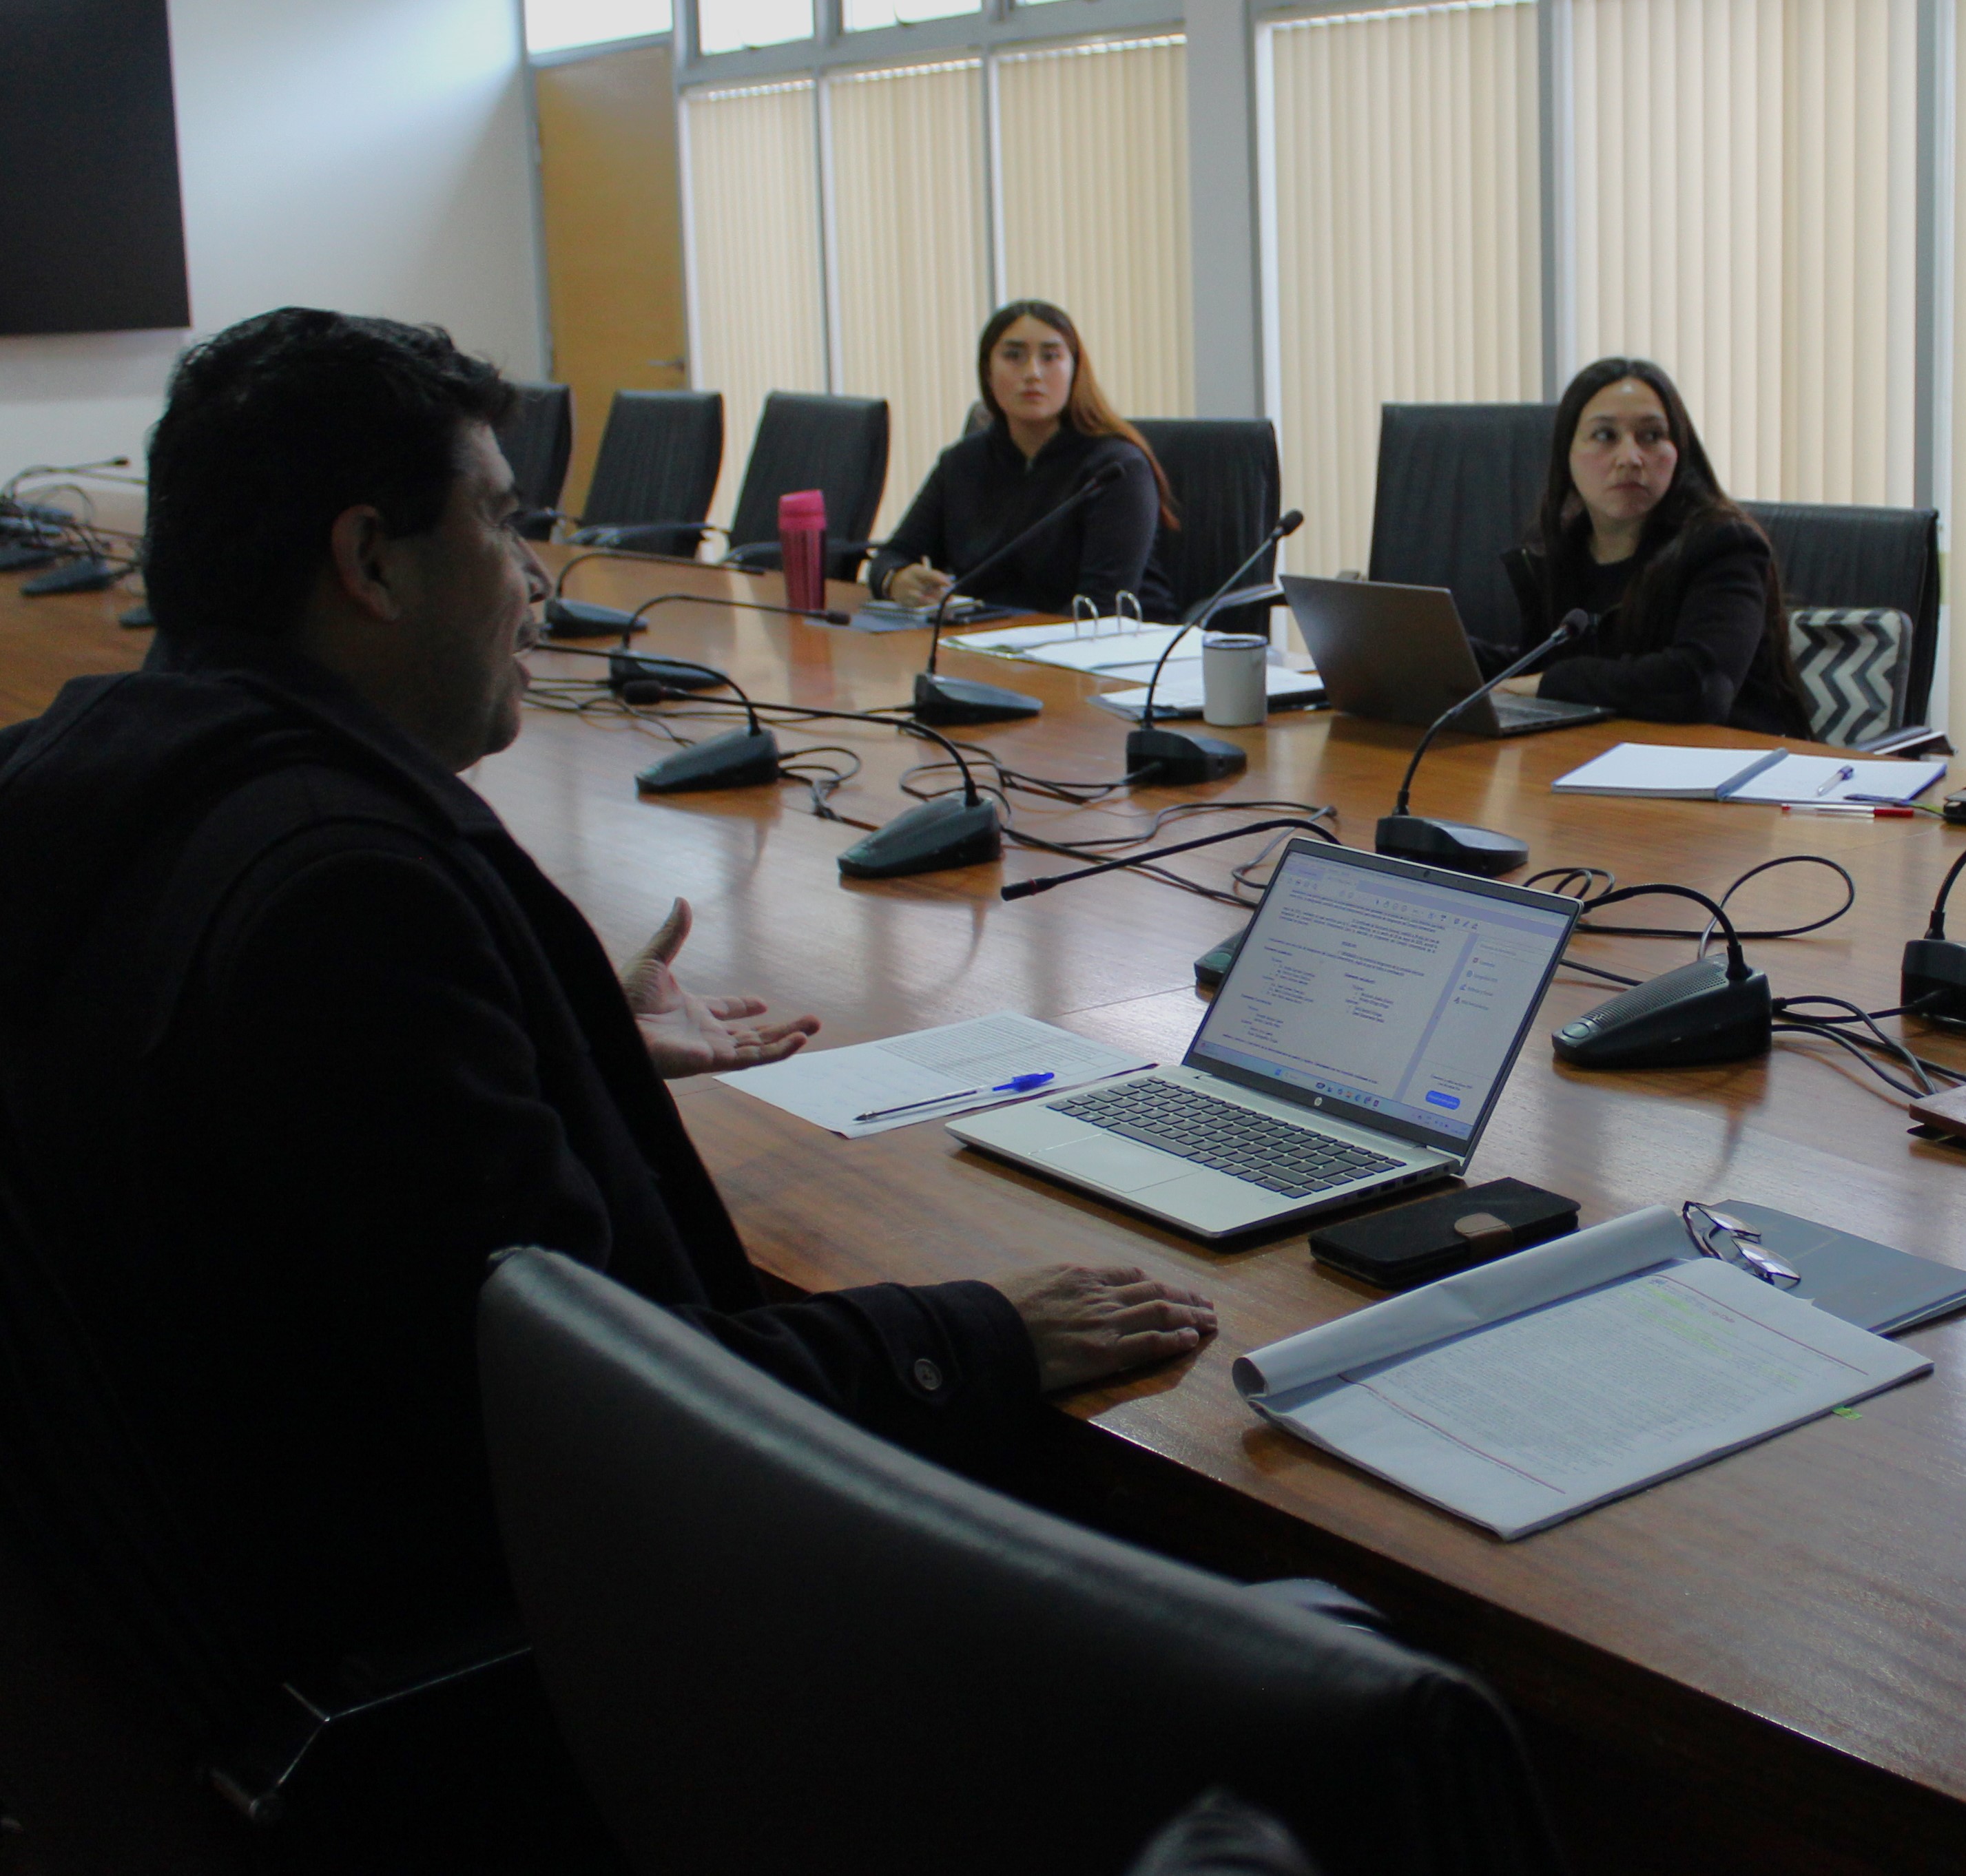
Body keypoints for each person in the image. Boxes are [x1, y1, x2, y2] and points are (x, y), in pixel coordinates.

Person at [0, 309, 1215, 1846]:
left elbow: (265, 1116)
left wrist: (530, 1038)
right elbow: (631, 1415)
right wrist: (967, 1332)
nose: (532, 579)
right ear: (369, 562)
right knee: (1274, 1652)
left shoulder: (100, 784)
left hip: (204, 1653)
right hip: (501, 1717)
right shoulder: (344, 904)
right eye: (503, 524)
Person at [1492, 357, 1810, 736]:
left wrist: (1551, 683)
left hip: (1738, 771)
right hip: (1600, 763)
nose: (1630, 458)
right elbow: (1530, 668)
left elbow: (1700, 684)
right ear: (1567, 455)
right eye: (1605, 436)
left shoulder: (1725, 547)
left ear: (1679, 451)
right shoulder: (1559, 556)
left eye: (1652, 436)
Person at [864, 299, 1175, 618]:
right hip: (989, 647)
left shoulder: (1116, 469)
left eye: (1051, 356)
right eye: (1014, 356)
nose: (1033, 373)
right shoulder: (961, 462)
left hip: (1107, 654)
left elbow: (1100, 606)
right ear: (987, 370)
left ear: (1075, 370)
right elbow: (892, 556)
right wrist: (895, 579)